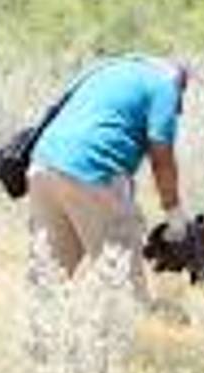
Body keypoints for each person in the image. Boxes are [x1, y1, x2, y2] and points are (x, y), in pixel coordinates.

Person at [29, 54, 191, 304]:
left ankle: (41, 330)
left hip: (43, 164)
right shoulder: (165, 84)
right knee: (124, 284)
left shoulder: (107, 68)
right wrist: (174, 214)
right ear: (180, 81)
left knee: (49, 280)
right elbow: (162, 155)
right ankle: (132, 329)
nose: (179, 107)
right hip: (92, 170)